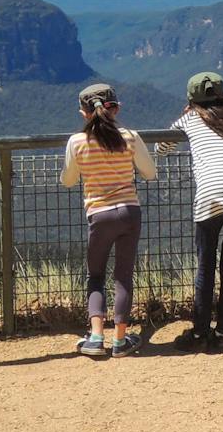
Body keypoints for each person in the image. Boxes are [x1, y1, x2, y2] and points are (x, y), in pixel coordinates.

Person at [159, 71, 223, 352]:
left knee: (206, 266)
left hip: (211, 195)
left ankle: (200, 332)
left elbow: (162, 148)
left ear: (191, 99)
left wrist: (183, 117)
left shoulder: (190, 118)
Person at [60, 82, 156, 357]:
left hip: (99, 214)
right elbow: (149, 173)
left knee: (96, 275)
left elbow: (68, 180)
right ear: (116, 109)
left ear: (83, 113)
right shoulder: (130, 137)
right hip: (129, 211)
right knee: (123, 276)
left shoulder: (77, 142)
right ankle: (121, 340)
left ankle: (95, 337)